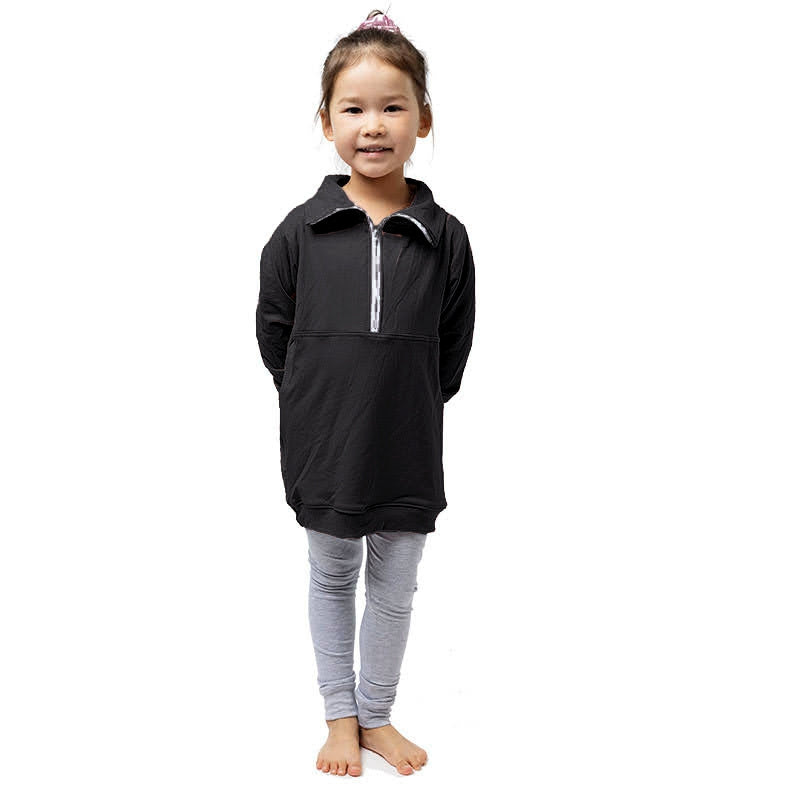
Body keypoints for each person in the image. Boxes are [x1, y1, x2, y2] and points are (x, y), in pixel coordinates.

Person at [255, 9, 476, 777]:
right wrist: (317, 398)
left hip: (407, 440)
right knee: (331, 575)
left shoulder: (445, 236)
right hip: (323, 443)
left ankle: (377, 714)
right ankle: (339, 718)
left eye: (392, 107)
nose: (373, 125)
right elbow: (275, 332)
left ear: (423, 120)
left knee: (395, 585)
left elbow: (454, 341)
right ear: (326, 122)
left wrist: (405, 396)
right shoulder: (299, 231)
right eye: (353, 108)